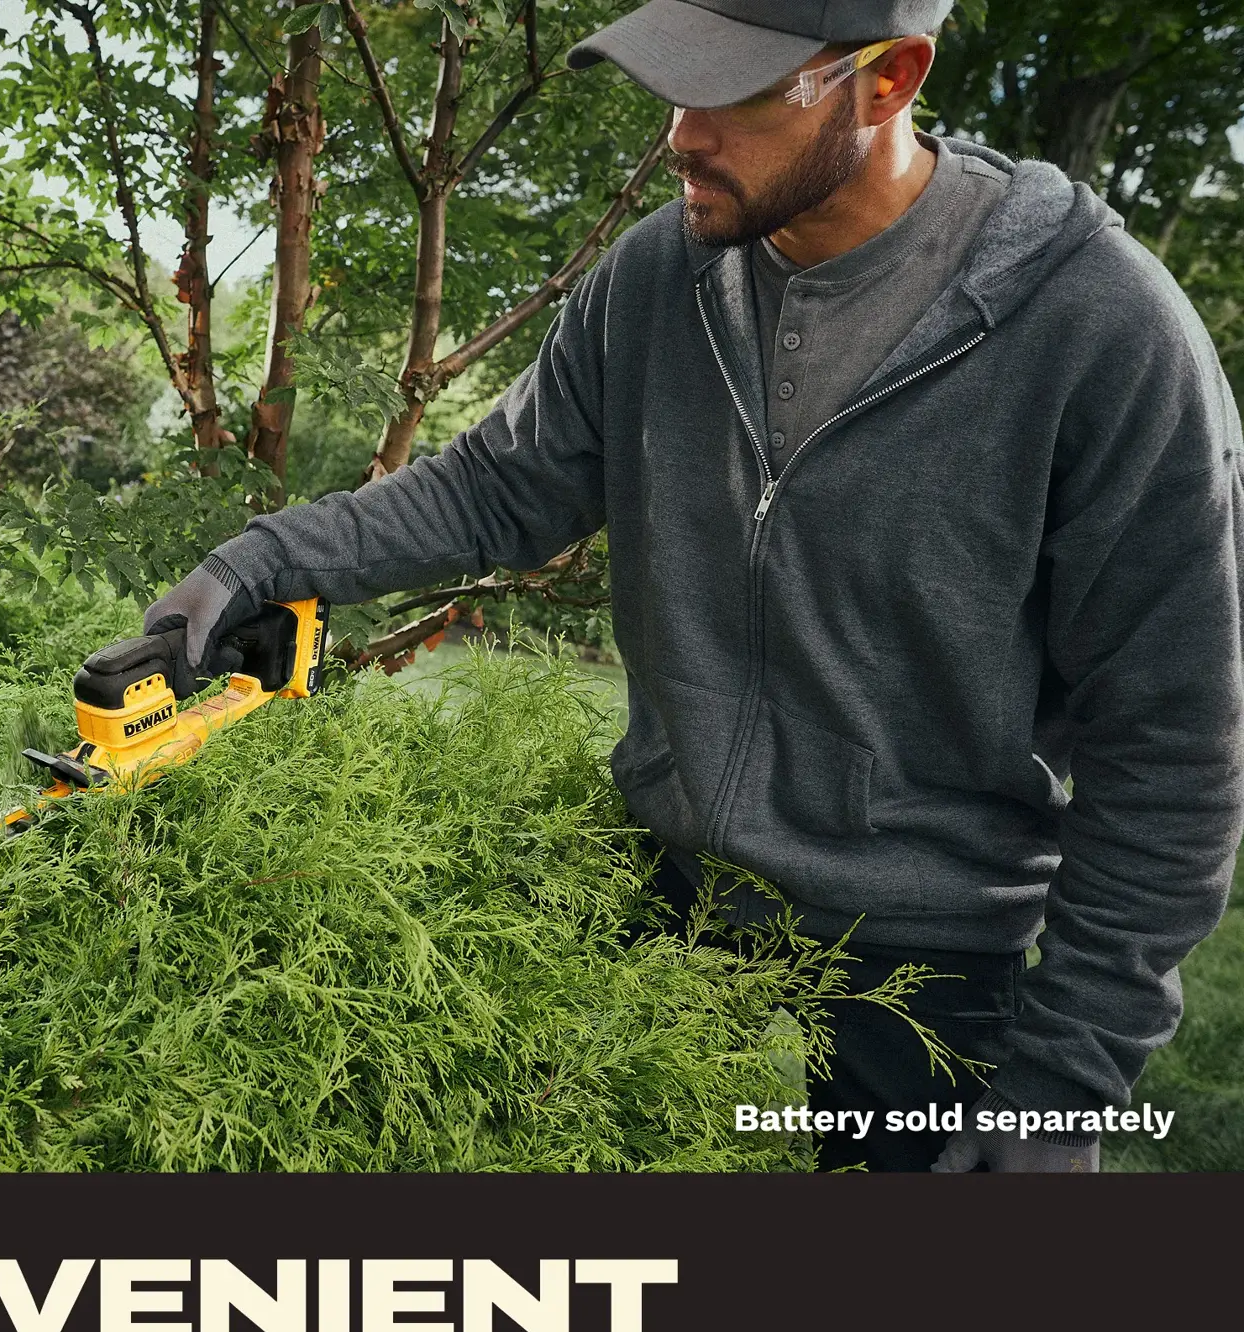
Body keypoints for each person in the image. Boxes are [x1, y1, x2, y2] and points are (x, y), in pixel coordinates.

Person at [144, 0, 1244, 1172]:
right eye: (674, 87)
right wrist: (252, 566)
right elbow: (493, 491)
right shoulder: (665, 271)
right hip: (664, 897)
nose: (681, 133)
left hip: (918, 967)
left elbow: (1173, 746)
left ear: (888, 81)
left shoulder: (1102, 335)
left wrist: (1063, 1088)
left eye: (739, 93)